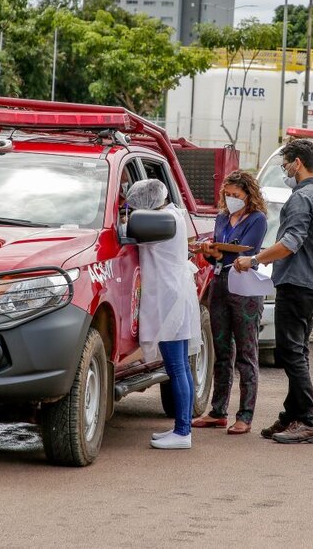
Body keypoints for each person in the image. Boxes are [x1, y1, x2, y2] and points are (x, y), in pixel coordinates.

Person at [234, 139, 313, 444]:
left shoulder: (302, 198)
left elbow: (290, 243)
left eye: (285, 164)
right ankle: (292, 415)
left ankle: (308, 421)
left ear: (298, 163)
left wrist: (254, 259)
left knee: (290, 353)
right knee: (298, 351)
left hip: (298, 284)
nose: (285, 170)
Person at [125, 179, 202, 450]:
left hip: (169, 299)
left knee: (176, 367)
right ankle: (183, 428)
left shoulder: (161, 222)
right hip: (175, 294)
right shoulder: (173, 214)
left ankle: (182, 433)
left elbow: (129, 230)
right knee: (180, 365)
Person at [192, 171, 267, 435]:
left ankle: (245, 414)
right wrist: (211, 252)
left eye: (237, 195)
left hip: (244, 287)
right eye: (228, 194)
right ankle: (218, 410)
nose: (232, 199)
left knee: (246, 353)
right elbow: (219, 257)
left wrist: (219, 250)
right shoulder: (223, 217)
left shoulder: (257, 220)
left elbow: (245, 250)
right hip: (220, 283)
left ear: (248, 195)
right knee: (221, 349)